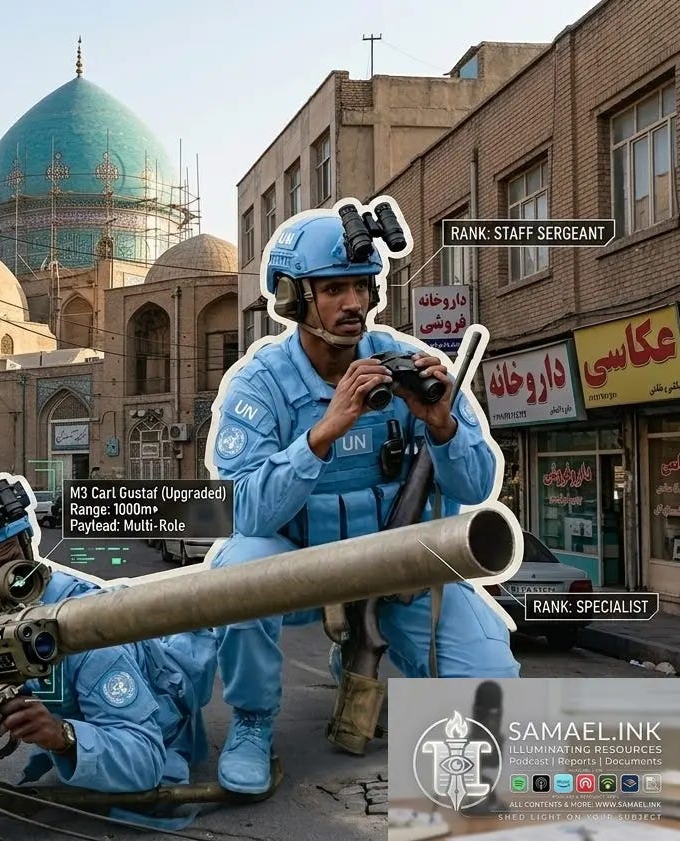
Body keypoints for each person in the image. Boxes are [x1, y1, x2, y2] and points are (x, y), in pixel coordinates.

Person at [204, 199, 520, 796]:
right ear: (295, 298)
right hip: (297, 569)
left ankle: (373, 662)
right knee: (236, 573)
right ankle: (252, 722)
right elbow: (247, 511)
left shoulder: (405, 361)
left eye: (362, 286)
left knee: (491, 677)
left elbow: (476, 486)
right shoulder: (259, 381)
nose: (354, 303)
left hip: (392, 566)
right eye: (334, 288)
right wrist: (325, 430)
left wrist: (443, 425)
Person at [0, 472, 217, 830]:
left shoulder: (80, 624)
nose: (13, 582)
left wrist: (62, 737)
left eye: (17, 561)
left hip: (161, 683)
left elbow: (145, 761)